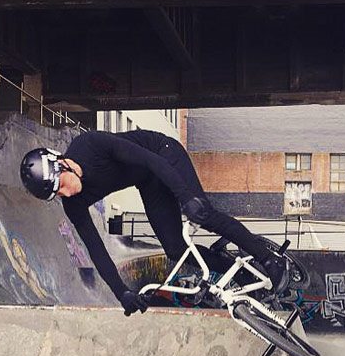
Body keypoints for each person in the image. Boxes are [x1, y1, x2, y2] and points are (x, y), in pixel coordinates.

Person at [19, 129, 290, 315]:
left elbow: (150, 160)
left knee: (202, 214)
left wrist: (186, 198)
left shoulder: (90, 145)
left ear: (62, 164)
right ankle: (239, 272)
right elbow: (95, 248)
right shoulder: (73, 203)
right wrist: (122, 293)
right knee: (175, 249)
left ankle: (270, 260)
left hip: (163, 154)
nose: (66, 194)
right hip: (148, 182)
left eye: (61, 185)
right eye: (58, 195)